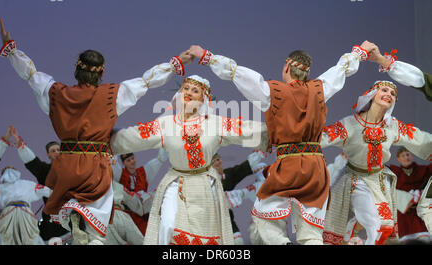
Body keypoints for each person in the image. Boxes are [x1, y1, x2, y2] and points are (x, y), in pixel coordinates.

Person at [0, 18, 193, 245]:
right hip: (94, 167)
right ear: (101, 73)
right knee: (96, 231)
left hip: (65, 165)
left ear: (76, 69)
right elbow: (146, 82)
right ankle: (85, 227)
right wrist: (175, 63)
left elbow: (32, 75)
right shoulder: (111, 96)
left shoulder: (56, 93)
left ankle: (75, 215)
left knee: (75, 218)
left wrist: (11, 50)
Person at [188, 41, 376, 244]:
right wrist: (360, 52)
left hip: (289, 165)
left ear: (287, 68)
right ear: (306, 73)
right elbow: (342, 69)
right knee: (311, 232)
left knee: (263, 216)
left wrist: (206, 56)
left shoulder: (273, 93)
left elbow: (235, 72)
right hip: (316, 167)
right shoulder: (319, 89)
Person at [111, 74, 268, 245]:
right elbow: (136, 136)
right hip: (176, 182)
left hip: (204, 185)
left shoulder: (215, 124)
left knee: (205, 234)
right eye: (185, 89)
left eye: (195, 91)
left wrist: (279, 132)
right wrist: (102, 139)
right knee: (168, 225)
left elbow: (245, 129)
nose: (188, 93)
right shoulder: (167, 124)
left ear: (203, 99)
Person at [321, 80, 432, 245]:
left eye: (393, 94)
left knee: (385, 228)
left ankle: (350, 232)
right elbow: (323, 137)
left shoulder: (392, 126)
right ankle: (349, 233)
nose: (389, 94)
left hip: (379, 182)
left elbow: (420, 139)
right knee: (377, 225)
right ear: (372, 95)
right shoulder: (351, 124)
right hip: (356, 180)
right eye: (384, 90)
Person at [9, 126, 69, 243]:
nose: (56, 152)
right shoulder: (44, 170)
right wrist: (19, 144)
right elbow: (32, 161)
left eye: (58, 150)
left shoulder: (73, 170)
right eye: (53, 151)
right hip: (52, 223)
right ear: (48, 155)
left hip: (72, 217)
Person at [0, 167, 52, 245]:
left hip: (10, 213)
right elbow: (48, 192)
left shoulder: (0, 188)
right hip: (24, 212)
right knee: (30, 235)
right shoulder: (28, 184)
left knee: (7, 236)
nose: (9, 172)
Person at [212, 151, 265, 244]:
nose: (217, 162)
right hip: (210, 221)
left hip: (227, 220)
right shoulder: (206, 181)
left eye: (218, 159)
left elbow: (241, 170)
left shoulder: (227, 175)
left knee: (238, 241)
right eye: (213, 161)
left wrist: (258, 155)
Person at [111, 149, 168, 235]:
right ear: (124, 163)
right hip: (129, 216)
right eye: (128, 160)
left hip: (143, 216)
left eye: (133, 158)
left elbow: (159, 160)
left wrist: (166, 146)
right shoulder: (120, 174)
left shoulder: (143, 172)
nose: (132, 161)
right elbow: (112, 163)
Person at [388, 147, 431, 242]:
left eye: (408, 154)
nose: (406, 157)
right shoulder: (394, 172)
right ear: (398, 159)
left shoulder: (423, 170)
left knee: (425, 239)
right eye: (403, 155)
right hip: (403, 215)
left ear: (412, 156)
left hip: (420, 213)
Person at [104, 180, 147, 245]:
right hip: (119, 216)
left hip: (96, 218)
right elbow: (136, 204)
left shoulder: (87, 183)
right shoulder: (117, 186)